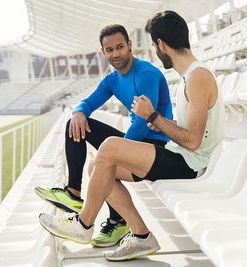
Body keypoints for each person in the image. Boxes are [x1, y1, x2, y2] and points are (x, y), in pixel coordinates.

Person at [39, 10, 224, 261]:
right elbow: (191, 133)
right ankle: (141, 236)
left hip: (191, 164)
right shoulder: (190, 76)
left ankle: (83, 224)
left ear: (160, 44)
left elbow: (192, 141)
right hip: (179, 155)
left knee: (110, 148)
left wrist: (153, 118)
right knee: (97, 166)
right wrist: (163, 123)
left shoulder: (197, 76)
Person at [34, 24, 173, 248]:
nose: (115, 54)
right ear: (103, 52)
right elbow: (87, 103)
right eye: (109, 50)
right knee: (78, 124)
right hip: (137, 144)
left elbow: (141, 123)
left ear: (129, 45)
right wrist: (79, 112)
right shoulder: (112, 79)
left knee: (102, 164)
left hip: (154, 147)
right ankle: (78, 197)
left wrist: (117, 152)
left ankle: (94, 219)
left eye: (120, 47)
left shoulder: (145, 73)